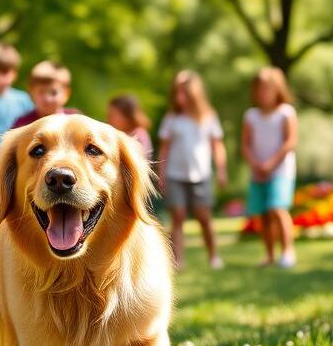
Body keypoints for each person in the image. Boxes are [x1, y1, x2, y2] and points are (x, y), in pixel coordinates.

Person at [158, 71, 227, 271]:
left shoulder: (208, 117)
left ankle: (214, 256)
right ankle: (178, 260)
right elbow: (164, 148)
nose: (179, 97)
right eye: (176, 93)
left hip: (201, 175)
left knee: (204, 217)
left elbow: (217, 146)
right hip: (175, 175)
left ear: (194, 94)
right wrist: (162, 173)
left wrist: (221, 170)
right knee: (177, 216)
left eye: (183, 93)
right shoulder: (172, 119)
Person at [242, 67, 298, 269]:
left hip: (281, 171)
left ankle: (288, 252)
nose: (262, 93)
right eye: (259, 89)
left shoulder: (286, 112)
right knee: (263, 214)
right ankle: (269, 255)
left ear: (277, 89)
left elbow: (290, 141)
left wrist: (271, 163)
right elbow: (246, 145)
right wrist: (256, 164)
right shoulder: (251, 116)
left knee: (278, 208)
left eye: (267, 89)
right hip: (258, 173)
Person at [11, 61, 79, 128]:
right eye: (41, 92)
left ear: (66, 94)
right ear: (31, 92)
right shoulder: (23, 124)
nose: (47, 99)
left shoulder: (75, 120)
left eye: (53, 93)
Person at [107, 93, 153, 159]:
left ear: (127, 115)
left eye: (113, 114)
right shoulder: (119, 133)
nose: (109, 118)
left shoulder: (138, 136)